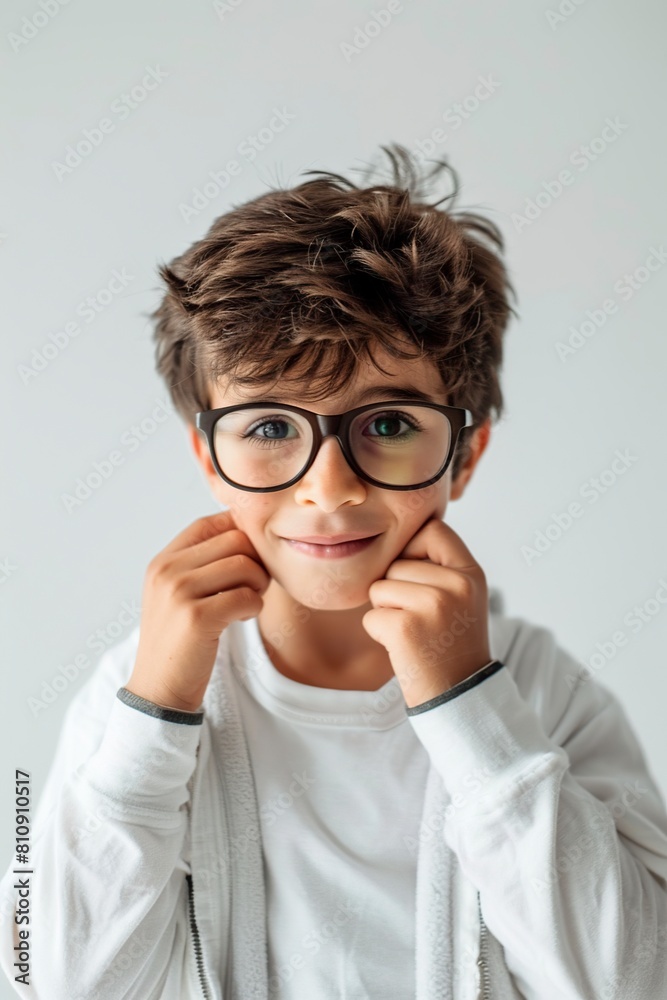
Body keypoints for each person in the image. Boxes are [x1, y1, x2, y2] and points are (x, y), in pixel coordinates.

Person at [2, 144, 667, 1000]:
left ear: (462, 457)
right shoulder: (133, 693)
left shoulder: (542, 692)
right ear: (209, 455)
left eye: (388, 424)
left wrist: (469, 704)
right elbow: (44, 979)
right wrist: (156, 707)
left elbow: (635, 982)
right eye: (271, 427)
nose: (329, 487)